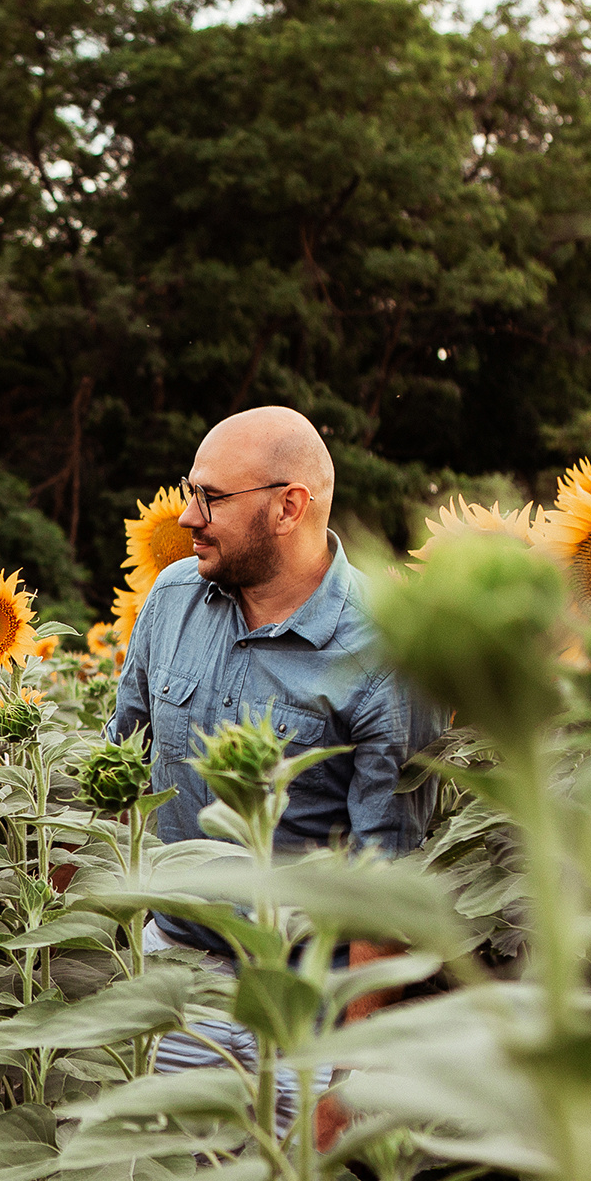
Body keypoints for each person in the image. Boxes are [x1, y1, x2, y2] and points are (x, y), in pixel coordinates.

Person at [110, 406, 446, 1095]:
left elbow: (385, 889)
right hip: (169, 976)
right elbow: (121, 766)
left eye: (212, 498)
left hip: (305, 1010)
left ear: (290, 506)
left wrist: (349, 1087)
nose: (187, 516)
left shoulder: (387, 653)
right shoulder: (172, 598)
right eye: (189, 488)